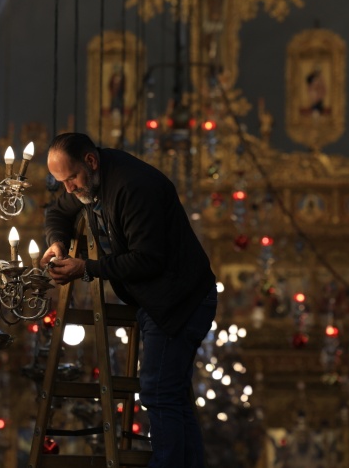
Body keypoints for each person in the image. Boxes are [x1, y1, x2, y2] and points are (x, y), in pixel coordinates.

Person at [41, 132, 218, 468]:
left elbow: (147, 259)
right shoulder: (86, 184)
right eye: (61, 181)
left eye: (72, 178)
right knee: (173, 397)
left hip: (180, 301)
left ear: (91, 162)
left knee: (157, 393)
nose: (68, 188)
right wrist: (57, 244)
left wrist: (86, 268)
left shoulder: (133, 186)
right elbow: (57, 212)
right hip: (158, 301)